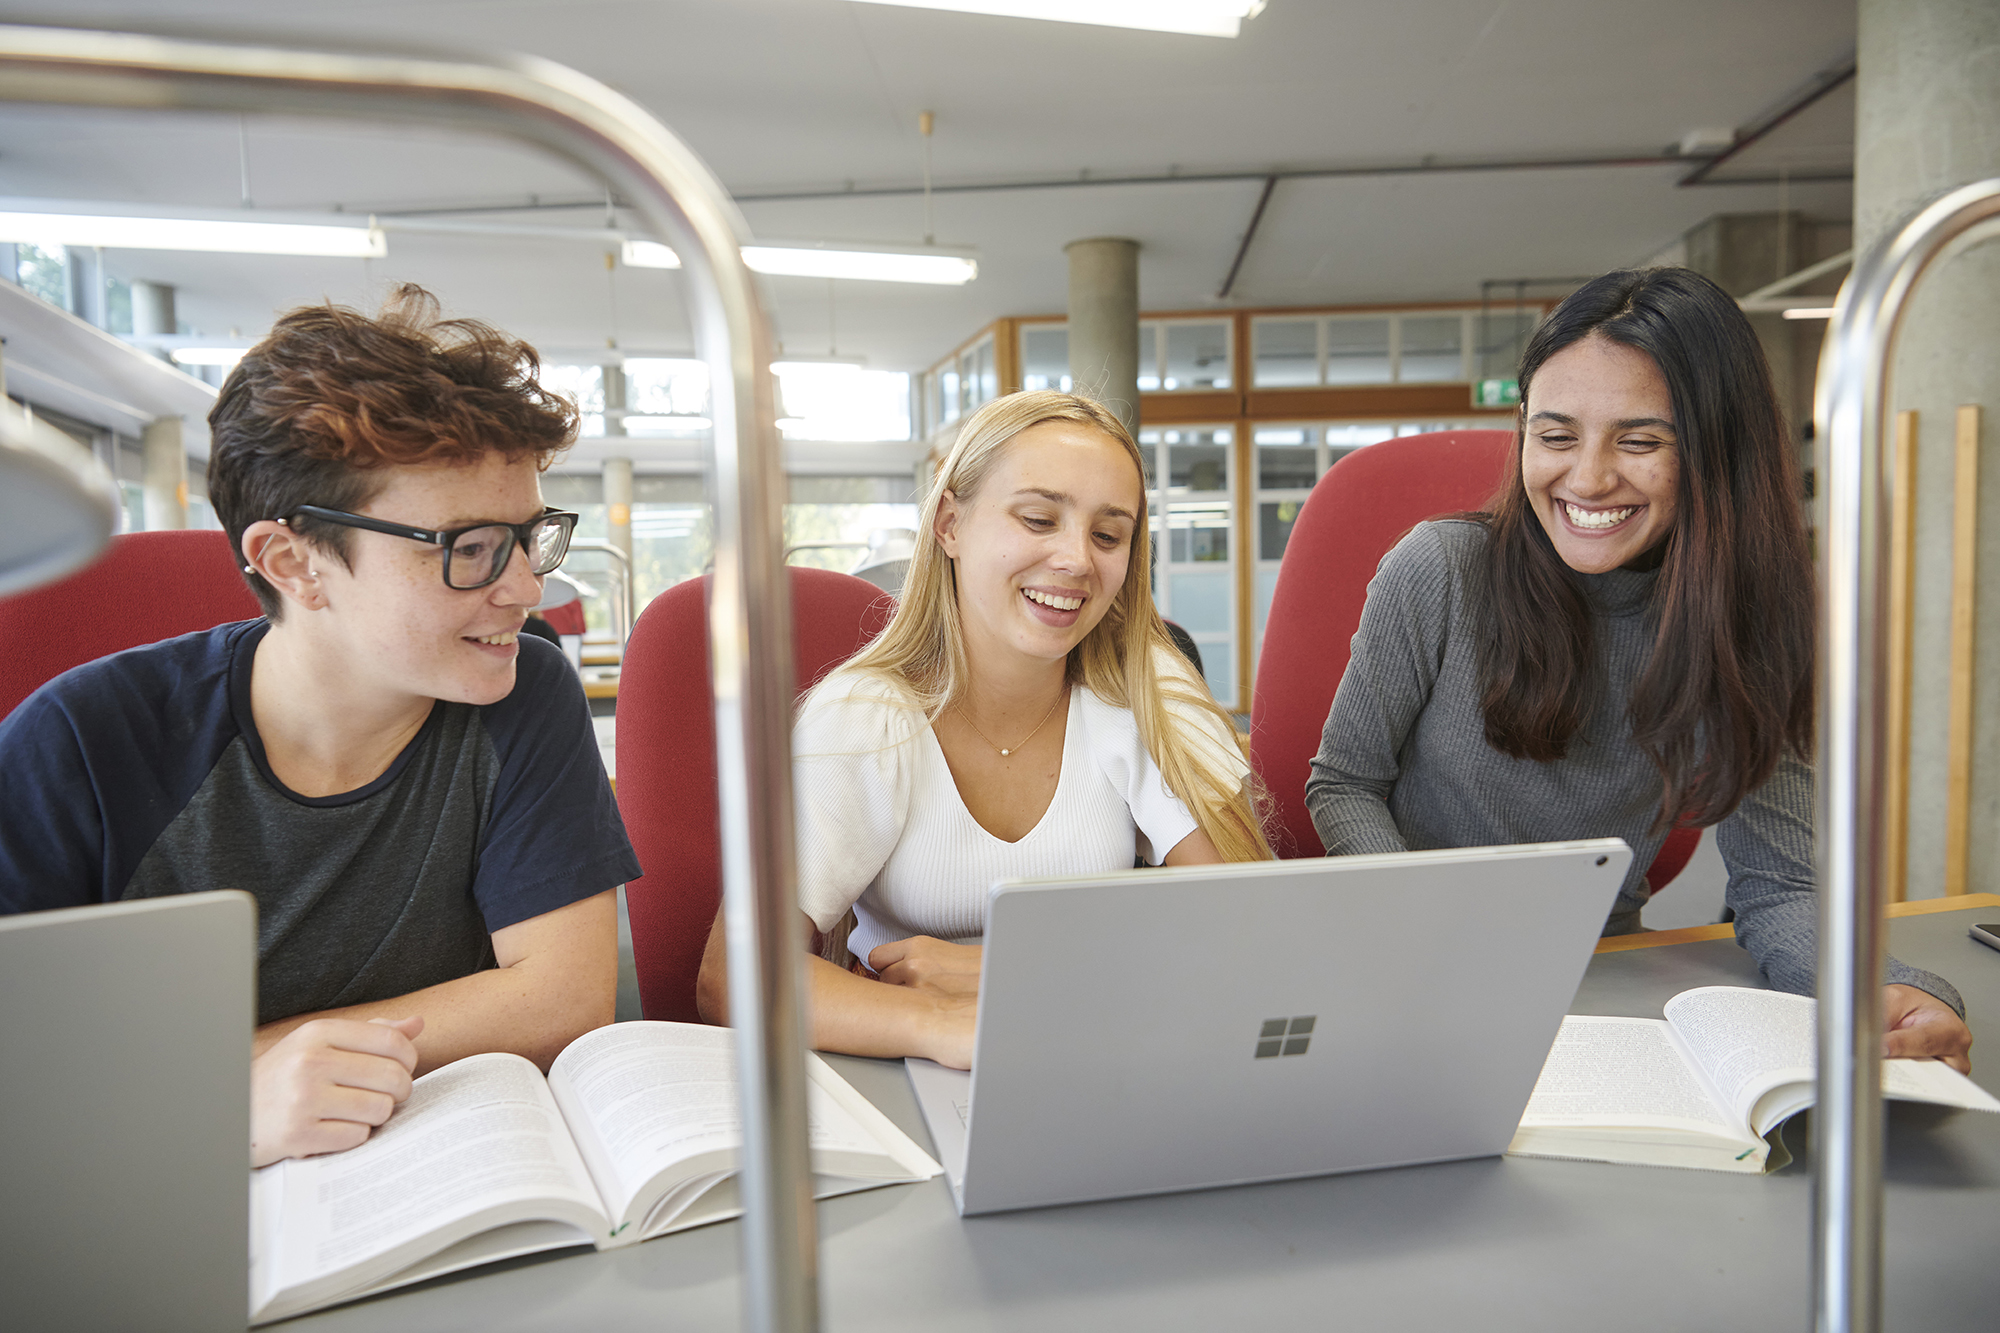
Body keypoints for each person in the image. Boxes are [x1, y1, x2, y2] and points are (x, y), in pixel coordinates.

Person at [0, 286, 642, 1163]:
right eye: (471, 548)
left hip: (431, 1168)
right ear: (293, 562)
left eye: (531, 536)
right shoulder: (77, 743)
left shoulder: (521, 688)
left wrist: (229, 1065)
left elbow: (560, 1002)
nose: (527, 588)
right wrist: (218, 1105)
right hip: (158, 1182)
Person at [1306, 267, 1972, 1071]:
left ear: (1717, 453)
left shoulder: (1753, 621)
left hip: (1598, 974)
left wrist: (1884, 991)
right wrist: (1417, 929)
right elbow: (1344, 783)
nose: (1588, 479)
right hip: (1411, 970)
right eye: (1556, 436)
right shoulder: (1441, 569)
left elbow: (1782, 884)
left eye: (1640, 441)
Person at [696, 391, 1270, 1067]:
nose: (1077, 559)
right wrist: (943, 1021)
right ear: (950, 524)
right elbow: (734, 977)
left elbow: (1254, 936)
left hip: (1101, 1054)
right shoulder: (865, 717)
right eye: (1038, 519)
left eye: (1108, 535)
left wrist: (1019, 971)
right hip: (905, 1068)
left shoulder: (1148, 690)